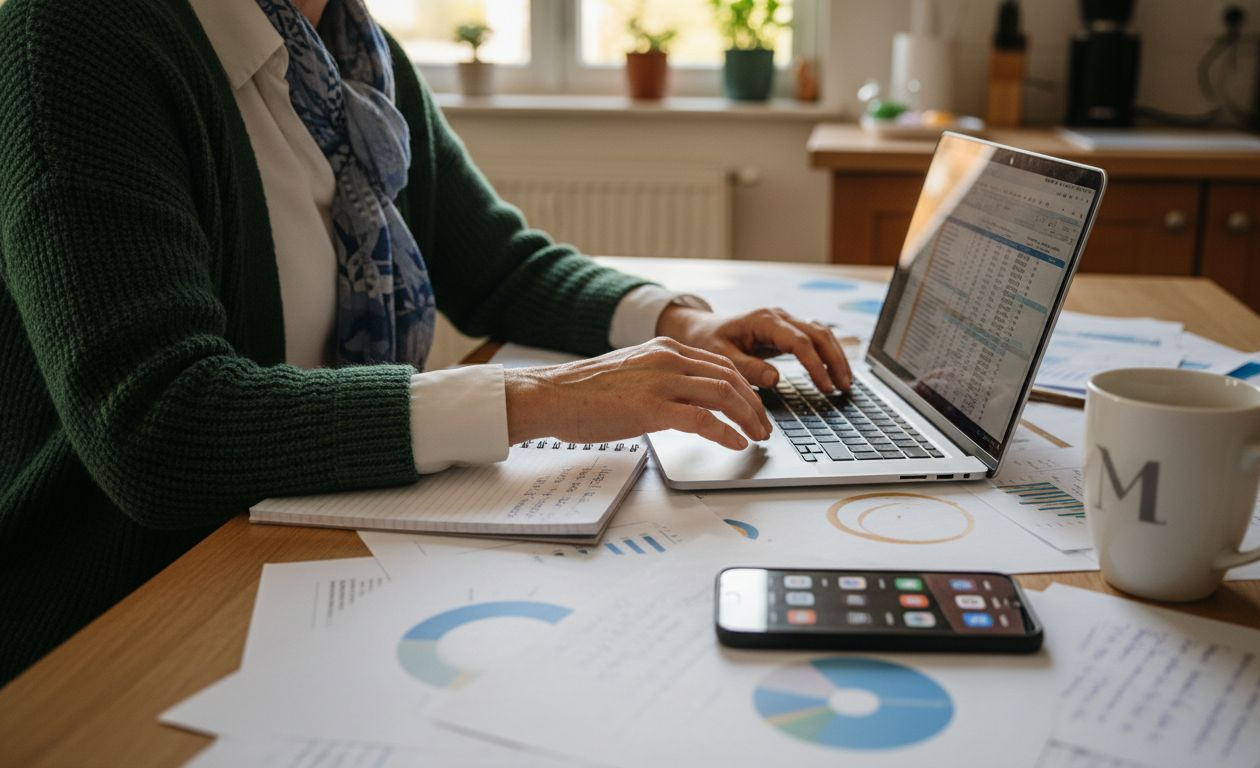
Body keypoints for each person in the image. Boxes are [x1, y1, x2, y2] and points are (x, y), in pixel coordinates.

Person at [0, 0, 851, 685]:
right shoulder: (74, 35)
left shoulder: (351, 51)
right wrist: (544, 402)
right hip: (116, 609)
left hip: (299, 538)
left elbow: (495, 263)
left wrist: (679, 321)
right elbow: (156, 424)